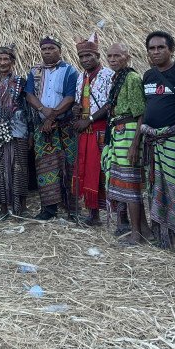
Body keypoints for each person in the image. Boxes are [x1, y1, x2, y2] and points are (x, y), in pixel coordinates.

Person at [137, 30, 175, 249]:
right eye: (152, 48)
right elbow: (146, 107)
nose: (156, 52)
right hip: (152, 142)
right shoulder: (148, 76)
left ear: (171, 50)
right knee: (157, 189)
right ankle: (166, 238)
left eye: (161, 47)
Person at [25, 37, 79, 221]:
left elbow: (70, 97)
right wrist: (43, 110)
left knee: (69, 167)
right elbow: (29, 95)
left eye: (51, 48)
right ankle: (49, 209)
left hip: (64, 128)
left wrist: (53, 116)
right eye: (44, 48)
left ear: (59, 50)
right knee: (45, 168)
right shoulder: (35, 71)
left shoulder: (70, 71)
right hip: (43, 129)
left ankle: (72, 209)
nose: (47, 51)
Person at [101, 43, 150, 245]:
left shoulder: (131, 78)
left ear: (127, 57)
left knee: (130, 184)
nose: (112, 59)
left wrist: (134, 144)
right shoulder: (118, 78)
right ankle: (144, 229)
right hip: (119, 132)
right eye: (110, 56)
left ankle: (137, 233)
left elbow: (141, 113)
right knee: (126, 182)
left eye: (117, 56)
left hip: (129, 133)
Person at [72, 34, 114, 226]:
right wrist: (76, 109)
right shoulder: (81, 77)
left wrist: (89, 119)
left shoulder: (108, 75)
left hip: (100, 129)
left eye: (88, 55)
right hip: (85, 130)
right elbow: (78, 100)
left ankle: (112, 215)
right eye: (81, 57)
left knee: (100, 170)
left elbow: (109, 104)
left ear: (97, 56)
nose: (85, 60)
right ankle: (92, 213)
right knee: (86, 169)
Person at [0, 46, 29, 217]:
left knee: (19, 168)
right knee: (0, 168)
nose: (3, 62)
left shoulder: (21, 82)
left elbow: (28, 108)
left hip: (19, 130)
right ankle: (4, 206)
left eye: (6, 59)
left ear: (12, 62)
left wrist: (30, 133)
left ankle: (21, 206)